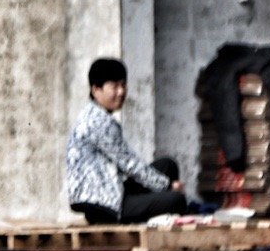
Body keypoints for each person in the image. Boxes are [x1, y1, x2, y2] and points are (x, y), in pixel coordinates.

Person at [66, 58, 187, 224]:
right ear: (95, 90)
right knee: (176, 200)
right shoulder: (99, 122)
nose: (121, 92)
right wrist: (167, 186)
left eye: (123, 85)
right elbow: (129, 164)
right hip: (105, 205)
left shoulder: (92, 114)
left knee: (167, 165)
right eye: (114, 87)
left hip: (110, 192)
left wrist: (163, 184)